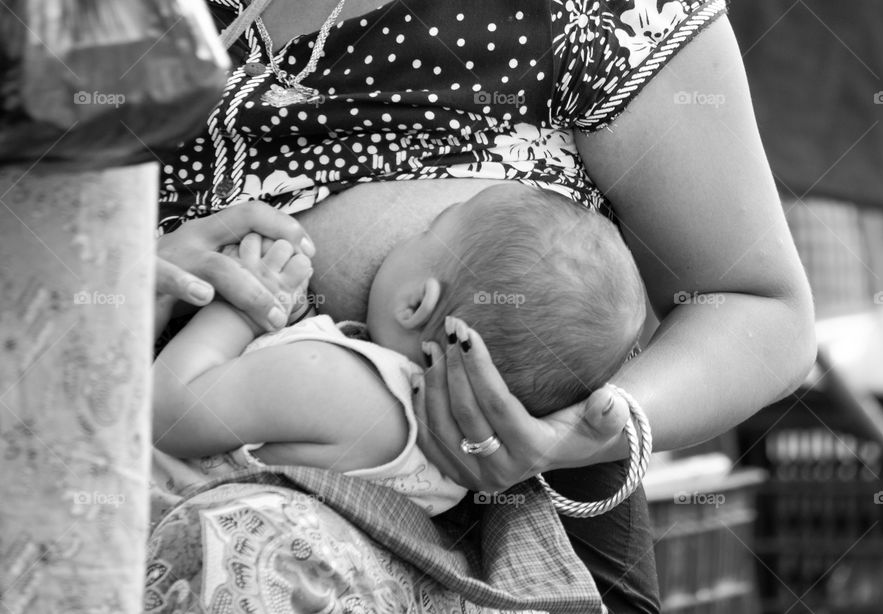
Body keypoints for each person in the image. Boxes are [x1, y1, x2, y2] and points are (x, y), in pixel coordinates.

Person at [155, 0, 817, 610]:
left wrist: (578, 435)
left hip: (515, 552)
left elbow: (760, 309)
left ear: (418, 302)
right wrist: (128, 276)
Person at [153, 184, 646, 516]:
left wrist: (243, 309)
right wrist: (297, 321)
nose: (415, 234)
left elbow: (165, 414)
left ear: (415, 303)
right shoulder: (442, 468)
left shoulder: (328, 378)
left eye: (427, 231)